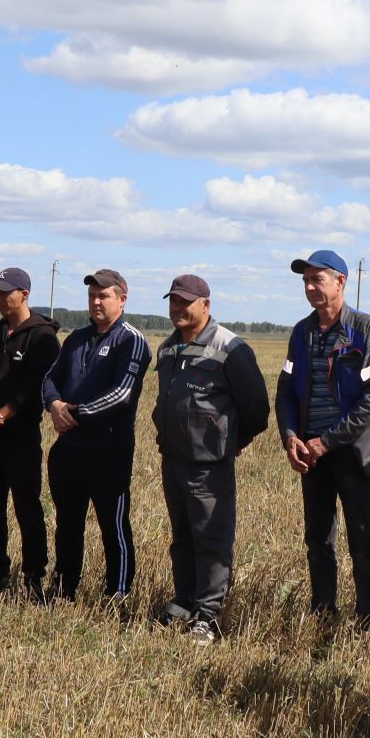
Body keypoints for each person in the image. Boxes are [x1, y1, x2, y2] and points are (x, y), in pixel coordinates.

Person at [275, 249, 370, 628]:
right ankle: (323, 612)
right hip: (311, 452)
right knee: (318, 538)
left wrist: (327, 441)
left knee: (363, 540)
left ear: (341, 282)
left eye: (317, 279)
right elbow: (286, 389)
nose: (310, 287)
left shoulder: (365, 329)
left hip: (353, 451)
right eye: (306, 281)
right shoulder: (302, 332)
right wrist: (291, 436)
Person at [152, 274, 269, 643]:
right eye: (173, 301)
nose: (178, 308)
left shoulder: (230, 348)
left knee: (212, 539)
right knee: (182, 536)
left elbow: (257, 408)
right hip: (173, 459)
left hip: (209, 464)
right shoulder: (168, 348)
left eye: (186, 302)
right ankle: (184, 601)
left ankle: (208, 615)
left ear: (206, 304)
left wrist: (235, 439)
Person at [41, 269, 151, 602]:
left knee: (113, 527)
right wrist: (54, 404)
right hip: (69, 449)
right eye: (92, 296)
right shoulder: (75, 338)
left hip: (109, 451)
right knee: (68, 523)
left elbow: (122, 394)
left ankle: (117, 593)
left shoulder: (131, 340)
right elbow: (49, 378)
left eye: (103, 295)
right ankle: (63, 588)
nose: (96, 301)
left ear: (122, 299)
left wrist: (74, 413)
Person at [0, 267, 61, 595]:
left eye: (6, 292)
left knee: (27, 508)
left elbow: (33, 388)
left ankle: (34, 577)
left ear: (24, 294)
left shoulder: (43, 337)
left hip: (19, 439)